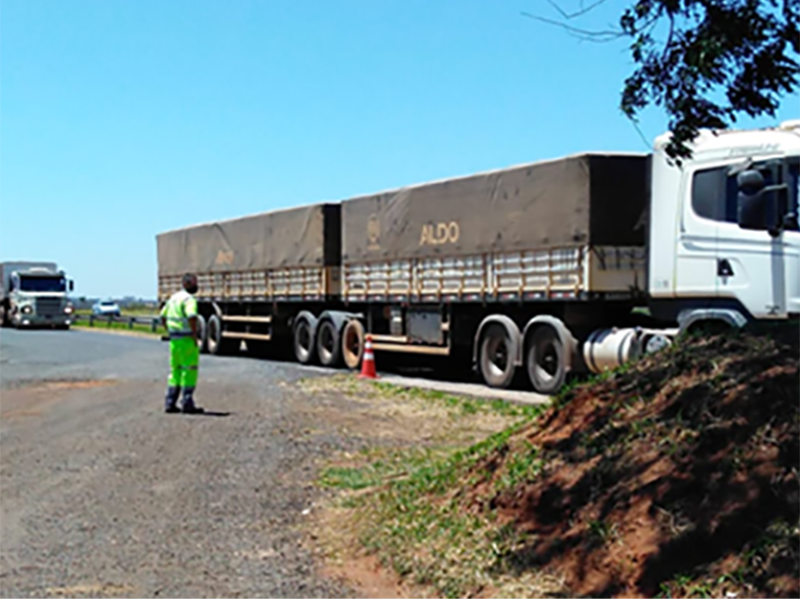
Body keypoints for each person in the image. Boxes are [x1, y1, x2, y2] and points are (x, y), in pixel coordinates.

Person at [160, 273, 204, 414]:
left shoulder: (173, 298)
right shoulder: (189, 300)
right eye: (194, 283)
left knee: (175, 370)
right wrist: (194, 334)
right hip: (186, 340)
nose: (196, 286)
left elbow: (162, 316)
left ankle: (170, 402)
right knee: (189, 370)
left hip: (174, 340)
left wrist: (169, 330)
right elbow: (192, 317)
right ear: (187, 284)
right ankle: (187, 402)